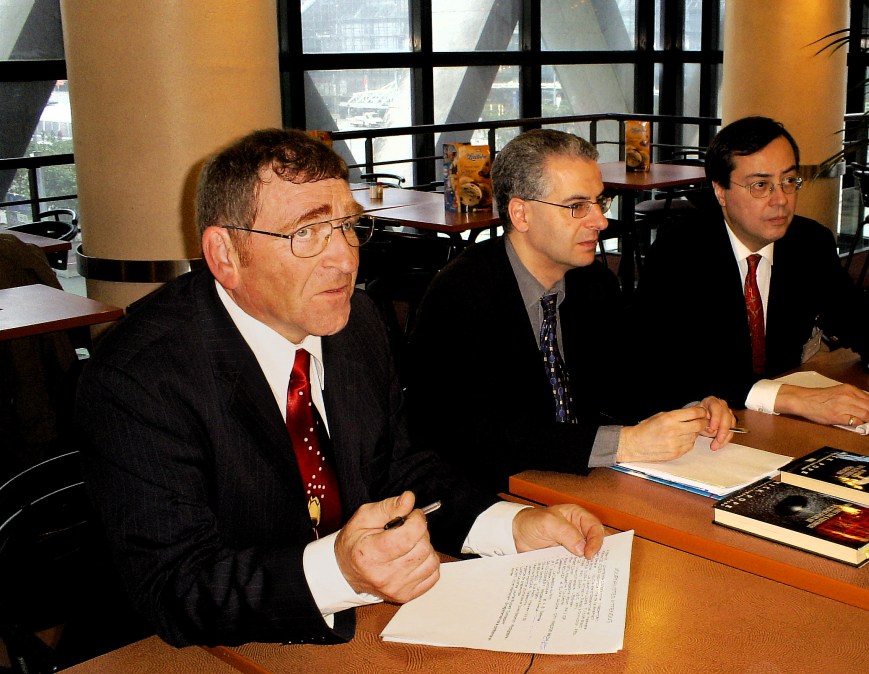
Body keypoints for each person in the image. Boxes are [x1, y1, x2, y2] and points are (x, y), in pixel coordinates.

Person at [76, 128, 604, 648]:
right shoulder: (140, 377)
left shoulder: (357, 323)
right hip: (180, 651)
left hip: (356, 632)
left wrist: (512, 526)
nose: (346, 258)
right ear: (225, 255)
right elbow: (177, 587)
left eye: (348, 225)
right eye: (306, 232)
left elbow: (400, 467)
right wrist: (340, 572)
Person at [405, 129, 734, 494]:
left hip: (587, 483)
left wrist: (691, 407)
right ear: (521, 213)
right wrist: (624, 443)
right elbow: (475, 435)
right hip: (495, 498)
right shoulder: (460, 296)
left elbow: (629, 375)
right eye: (577, 207)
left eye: (599, 201)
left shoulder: (590, 280)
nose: (600, 221)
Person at [637, 116, 869, 427]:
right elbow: (670, 368)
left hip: (781, 427)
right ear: (720, 191)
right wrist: (790, 397)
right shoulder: (679, 252)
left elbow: (859, 316)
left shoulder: (808, 241)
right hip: (712, 429)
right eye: (761, 185)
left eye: (788, 181)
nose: (781, 200)